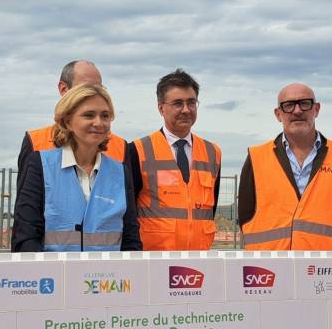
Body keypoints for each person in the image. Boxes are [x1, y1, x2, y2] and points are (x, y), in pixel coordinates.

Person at [12, 84, 141, 251]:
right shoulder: (40, 166)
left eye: (105, 116)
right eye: (89, 115)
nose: (99, 122)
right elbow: (26, 236)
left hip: (107, 276)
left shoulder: (120, 172)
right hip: (54, 275)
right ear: (68, 122)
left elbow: (130, 239)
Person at [238, 82, 332, 250]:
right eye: (288, 105)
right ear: (278, 114)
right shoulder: (256, 157)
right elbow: (245, 216)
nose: (297, 111)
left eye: (304, 103)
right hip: (270, 267)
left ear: (316, 109)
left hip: (324, 268)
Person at [128, 69, 222, 251]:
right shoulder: (138, 150)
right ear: (161, 108)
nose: (186, 110)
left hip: (198, 260)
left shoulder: (213, 153)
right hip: (153, 260)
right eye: (178, 103)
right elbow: (129, 213)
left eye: (191, 103)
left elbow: (210, 210)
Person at [17, 60, 127, 190]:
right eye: (85, 88)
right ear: (63, 89)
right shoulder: (36, 142)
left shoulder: (121, 146)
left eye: (99, 88)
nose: (94, 94)